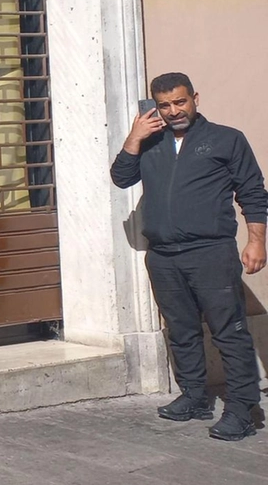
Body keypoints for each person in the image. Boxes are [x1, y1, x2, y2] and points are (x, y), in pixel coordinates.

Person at [111, 72, 266, 441]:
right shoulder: (150, 142)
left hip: (210, 252)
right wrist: (134, 138)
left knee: (230, 332)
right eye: (164, 105)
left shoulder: (226, 139)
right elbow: (120, 178)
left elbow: (253, 193)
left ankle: (243, 409)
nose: (173, 111)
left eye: (180, 102)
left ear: (194, 98)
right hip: (163, 256)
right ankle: (195, 396)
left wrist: (256, 241)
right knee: (181, 331)